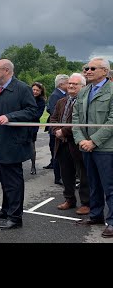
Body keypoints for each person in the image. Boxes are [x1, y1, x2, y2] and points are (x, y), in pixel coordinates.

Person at [0, 59, 37, 229]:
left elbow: (32, 111)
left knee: (13, 181)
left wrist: (11, 116)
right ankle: (6, 210)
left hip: (12, 143)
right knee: (4, 179)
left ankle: (15, 217)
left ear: (6, 70)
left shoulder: (21, 88)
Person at [73, 57, 113, 238]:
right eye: (86, 68)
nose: (87, 71)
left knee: (109, 186)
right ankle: (96, 215)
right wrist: (81, 140)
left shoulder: (111, 91)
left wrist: (94, 141)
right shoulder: (83, 92)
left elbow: (112, 121)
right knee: (93, 184)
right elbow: (76, 119)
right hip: (86, 147)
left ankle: (112, 222)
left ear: (105, 71)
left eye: (92, 68)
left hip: (106, 148)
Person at [51, 73, 89, 215]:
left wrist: (63, 131)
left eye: (75, 84)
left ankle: (86, 203)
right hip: (61, 143)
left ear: (83, 87)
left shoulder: (85, 101)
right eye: (70, 84)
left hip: (77, 144)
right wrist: (56, 131)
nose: (71, 86)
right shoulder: (61, 101)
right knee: (66, 174)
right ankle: (69, 199)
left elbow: (79, 122)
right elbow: (53, 118)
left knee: (83, 175)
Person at [44, 74, 69, 185]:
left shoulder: (63, 94)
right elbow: (52, 111)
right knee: (57, 153)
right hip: (56, 129)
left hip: (61, 128)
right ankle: (58, 177)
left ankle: (62, 176)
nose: (69, 85)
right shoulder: (56, 95)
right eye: (67, 83)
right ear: (61, 84)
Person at [30, 82, 46, 175]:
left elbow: (37, 115)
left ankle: (33, 166)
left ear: (40, 92)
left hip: (33, 126)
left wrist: (26, 115)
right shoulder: (26, 98)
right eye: (34, 89)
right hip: (23, 125)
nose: (35, 92)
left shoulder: (41, 101)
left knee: (32, 146)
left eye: (37, 90)